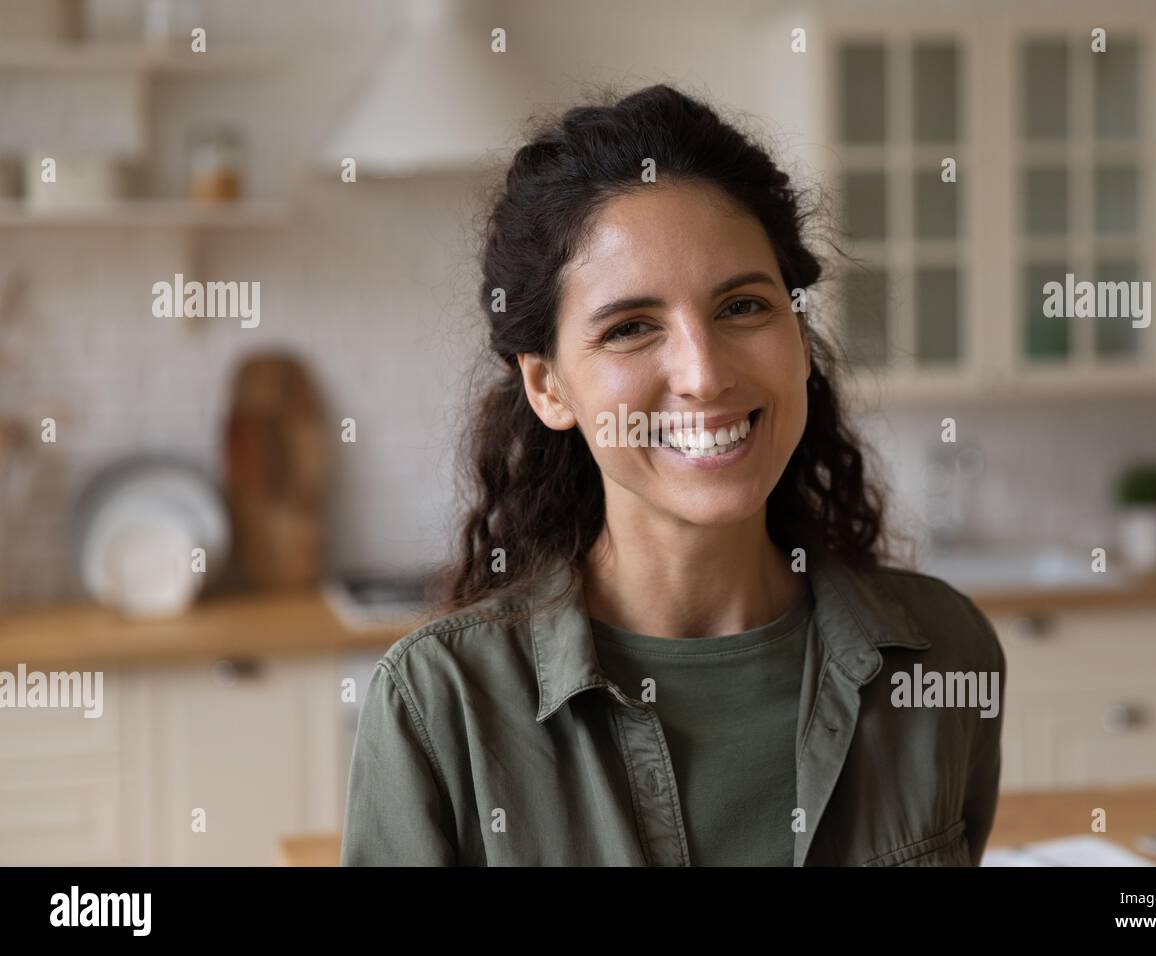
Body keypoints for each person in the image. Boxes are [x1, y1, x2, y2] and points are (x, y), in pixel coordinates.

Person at [341, 83, 1005, 866]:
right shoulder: (438, 705)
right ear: (548, 386)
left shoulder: (946, 653)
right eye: (630, 328)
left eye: (743, 308)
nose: (703, 373)